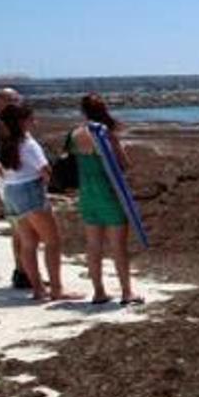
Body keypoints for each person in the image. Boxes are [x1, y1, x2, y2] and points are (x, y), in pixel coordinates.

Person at [0, 104, 80, 302]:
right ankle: (57, 289)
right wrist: (59, 188)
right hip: (29, 191)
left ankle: (38, 289)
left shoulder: (4, 143)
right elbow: (45, 170)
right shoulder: (28, 144)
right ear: (21, 122)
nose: (35, 122)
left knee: (28, 243)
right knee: (52, 241)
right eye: (31, 119)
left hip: (11, 192)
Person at [69, 94, 141, 304]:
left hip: (88, 194)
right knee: (118, 246)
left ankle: (99, 291)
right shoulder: (105, 134)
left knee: (93, 245)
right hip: (109, 194)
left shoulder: (75, 134)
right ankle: (127, 292)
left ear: (83, 111)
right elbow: (124, 164)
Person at [0, 88, 32, 289]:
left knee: (20, 229)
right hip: (12, 182)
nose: (16, 102)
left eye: (17, 98)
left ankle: (23, 271)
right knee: (21, 228)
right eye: (11, 99)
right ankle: (23, 272)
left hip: (10, 181)